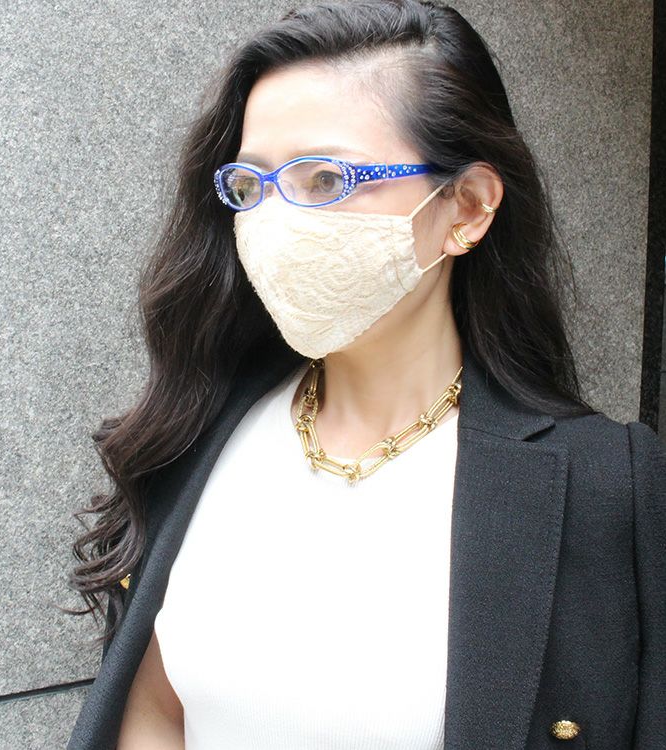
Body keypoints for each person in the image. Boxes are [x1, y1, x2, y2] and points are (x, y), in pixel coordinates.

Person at [64, 1, 666, 748]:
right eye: (251, 185)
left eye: (325, 178)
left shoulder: (606, 485)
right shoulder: (196, 439)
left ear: (467, 207)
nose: (275, 220)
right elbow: (155, 712)